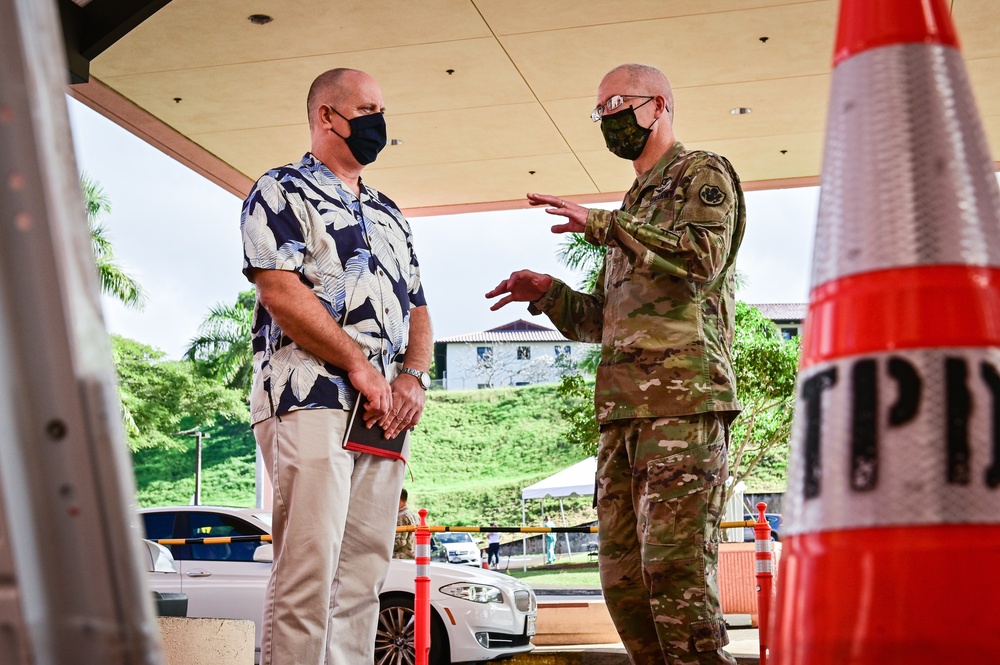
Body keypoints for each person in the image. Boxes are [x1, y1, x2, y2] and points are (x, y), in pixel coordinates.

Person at [486, 63, 745, 665]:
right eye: (599, 110)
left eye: (617, 104)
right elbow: (603, 322)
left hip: (683, 410)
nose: (607, 119)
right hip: (623, 416)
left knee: (677, 585)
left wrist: (601, 223)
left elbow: (702, 258)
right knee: (626, 586)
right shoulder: (633, 205)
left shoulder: (701, 173)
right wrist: (548, 292)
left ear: (658, 105)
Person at [240, 68, 433, 665]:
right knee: (309, 569)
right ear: (327, 115)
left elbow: (419, 305)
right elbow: (279, 289)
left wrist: (412, 377)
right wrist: (357, 364)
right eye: (368, 108)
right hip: (310, 395)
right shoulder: (280, 191)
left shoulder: (389, 212)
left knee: (363, 572)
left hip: (382, 411)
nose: (380, 122)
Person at [394, 488, 418, 559]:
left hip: (400, 557)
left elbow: (400, 541)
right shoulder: (413, 515)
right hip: (410, 556)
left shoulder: (401, 516)